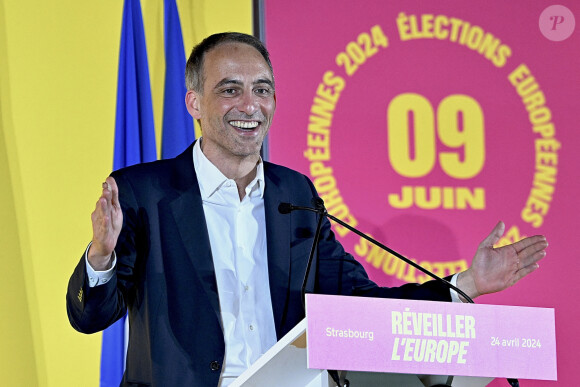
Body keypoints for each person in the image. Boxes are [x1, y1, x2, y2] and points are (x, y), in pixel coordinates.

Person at [66, 32, 548, 387]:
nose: (249, 104)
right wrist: (101, 259)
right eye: (230, 89)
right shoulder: (143, 192)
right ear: (194, 102)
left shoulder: (294, 194)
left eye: (262, 89)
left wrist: (465, 285)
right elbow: (90, 317)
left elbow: (357, 302)